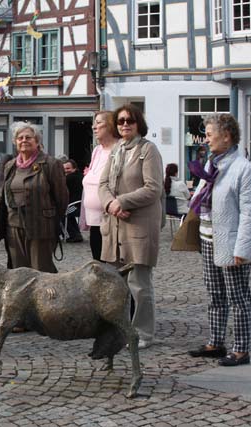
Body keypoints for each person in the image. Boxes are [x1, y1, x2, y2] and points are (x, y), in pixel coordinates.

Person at [187, 113, 251, 367]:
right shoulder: (212, 166)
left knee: (238, 298)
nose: (206, 140)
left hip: (231, 244)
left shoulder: (243, 169)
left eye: (210, 135)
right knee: (215, 294)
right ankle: (216, 342)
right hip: (209, 239)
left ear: (226, 136)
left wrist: (242, 247)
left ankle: (241, 350)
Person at [98, 104, 163, 350]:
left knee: (140, 285)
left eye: (130, 120)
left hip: (138, 227)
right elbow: (103, 184)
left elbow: (153, 188)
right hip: (115, 226)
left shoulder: (148, 150)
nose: (125, 124)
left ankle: (143, 332)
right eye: (121, 121)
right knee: (116, 285)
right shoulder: (116, 151)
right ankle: (121, 329)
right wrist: (110, 205)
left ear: (138, 124)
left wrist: (121, 201)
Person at [0, 122, 68, 273]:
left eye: (28, 137)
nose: (24, 140)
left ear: (37, 141)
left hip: (40, 227)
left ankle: (47, 297)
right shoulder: (9, 165)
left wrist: (50, 219)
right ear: (15, 142)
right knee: (19, 272)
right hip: (13, 227)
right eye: (20, 137)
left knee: (41, 271)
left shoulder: (50, 164)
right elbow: (2, 195)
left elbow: (62, 198)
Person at [81, 111, 119, 260]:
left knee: (110, 263)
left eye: (98, 123)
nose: (93, 127)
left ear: (110, 126)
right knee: (97, 260)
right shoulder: (97, 150)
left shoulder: (118, 150)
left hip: (110, 217)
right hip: (93, 219)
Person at [63, 159, 83, 243]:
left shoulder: (69, 178)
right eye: (64, 169)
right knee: (66, 213)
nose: (65, 171)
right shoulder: (80, 175)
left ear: (74, 169)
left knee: (62, 214)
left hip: (76, 205)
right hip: (78, 204)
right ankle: (76, 234)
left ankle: (74, 235)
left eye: (68, 168)